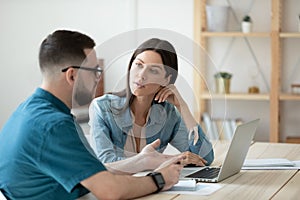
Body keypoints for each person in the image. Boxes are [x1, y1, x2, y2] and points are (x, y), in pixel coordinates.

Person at [0, 30, 185, 199]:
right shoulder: (54, 125)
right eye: (95, 71)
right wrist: (161, 179)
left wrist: (142, 160)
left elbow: (91, 173)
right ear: (72, 76)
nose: (99, 78)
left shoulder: (29, 111)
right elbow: (110, 190)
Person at [89, 38, 214, 168]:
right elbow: (106, 163)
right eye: (139, 65)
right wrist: (171, 160)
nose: (141, 76)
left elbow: (205, 158)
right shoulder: (101, 108)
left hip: (156, 185)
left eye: (153, 71)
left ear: (166, 80)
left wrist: (182, 107)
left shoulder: (169, 115)